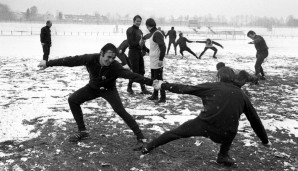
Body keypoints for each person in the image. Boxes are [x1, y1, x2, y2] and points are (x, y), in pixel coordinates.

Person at [141, 67, 271, 166]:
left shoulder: (211, 87)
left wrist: (163, 85)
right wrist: (264, 140)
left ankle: (149, 146)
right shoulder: (242, 95)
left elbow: (186, 88)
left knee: (175, 133)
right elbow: (254, 119)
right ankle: (223, 155)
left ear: (219, 78)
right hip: (226, 133)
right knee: (231, 125)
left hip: (204, 125)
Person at [37, 43, 152, 148]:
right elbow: (71, 61)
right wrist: (48, 63)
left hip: (109, 90)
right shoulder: (90, 59)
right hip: (93, 88)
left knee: (120, 110)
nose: (110, 60)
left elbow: (132, 76)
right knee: (73, 100)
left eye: (113, 58)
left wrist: (153, 82)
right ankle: (82, 132)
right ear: (101, 53)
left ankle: (140, 137)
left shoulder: (115, 66)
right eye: (108, 57)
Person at [126, 15, 151, 95]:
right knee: (134, 72)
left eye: (140, 21)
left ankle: (143, 89)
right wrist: (139, 43)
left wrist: (148, 51)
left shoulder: (140, 31)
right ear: (134, 21)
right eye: (137, 21)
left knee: (142, 71)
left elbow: (142, 45)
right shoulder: (130, 30)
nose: (138, 22)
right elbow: (130, 43)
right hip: (133, 53)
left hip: (139, 53)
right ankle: (129, 87)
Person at [145, 18, 167, 103]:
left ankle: (163, 97)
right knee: (155, 79)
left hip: (158, 61)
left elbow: (163, 47)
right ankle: (155, 95)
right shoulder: (153, 33)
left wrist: (161, 59)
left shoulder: (157, 34)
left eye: (147, 26)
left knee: (159, 79)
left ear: (148, 26)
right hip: (154, 60)